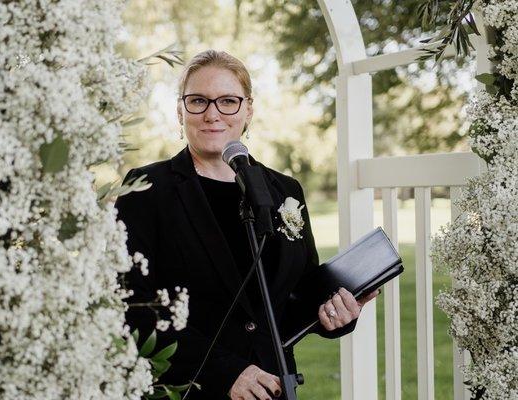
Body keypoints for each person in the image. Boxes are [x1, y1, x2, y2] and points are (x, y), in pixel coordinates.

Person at [114, 49, 378, 400]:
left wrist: (337, 314)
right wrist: (226, 372)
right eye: (198, 101)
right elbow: (129, 307)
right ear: (180, 110)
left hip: (272, 388)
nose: (212, 114)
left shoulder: (285, 190)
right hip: (185, 389)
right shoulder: (145, 188)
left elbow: (293, 299)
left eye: (228, 101)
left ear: (248, 109)